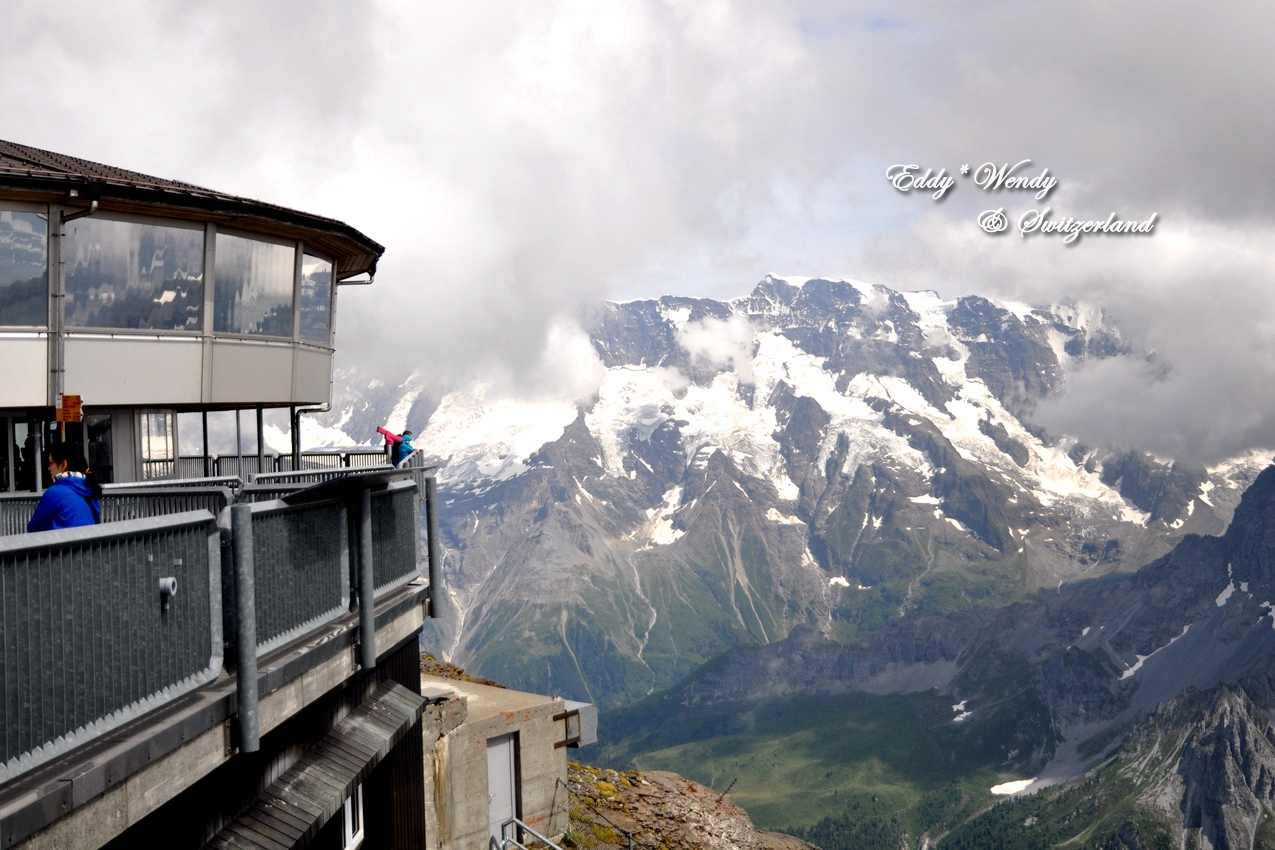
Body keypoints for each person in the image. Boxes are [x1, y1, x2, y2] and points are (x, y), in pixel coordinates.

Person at [27, 443, 102, 532]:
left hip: (64, 545)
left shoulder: (55, 492)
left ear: (63, 464)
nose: (48, 468)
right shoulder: (90, 490)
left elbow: (34, 528)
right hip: (88, 545)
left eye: (50, 463)